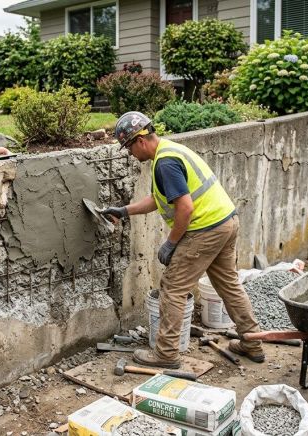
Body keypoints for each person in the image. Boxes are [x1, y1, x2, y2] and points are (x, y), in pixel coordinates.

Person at [100, 111, 265, 369]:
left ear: (140, 140)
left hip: (205, 229)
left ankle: (166, 354)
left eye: (129, 147)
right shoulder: (169, 151)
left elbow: (185, 208)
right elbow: (158, 199)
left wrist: (171, 243)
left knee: (173, 288)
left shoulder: (164, 163)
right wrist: (124, 210)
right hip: (225, 222)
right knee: (229, 284)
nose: (130, 154)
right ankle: (252, 342)